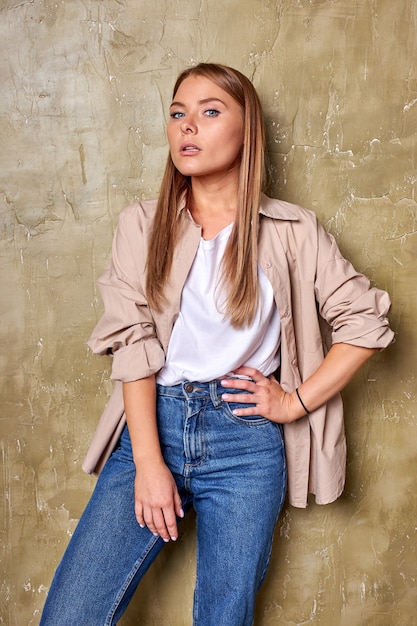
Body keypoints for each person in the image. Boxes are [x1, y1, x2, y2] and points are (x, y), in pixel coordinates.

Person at [40, 63, 394, 626]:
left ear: (246, 129)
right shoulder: (142, 224)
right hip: (152, 426)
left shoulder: (293, 230)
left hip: (245, 443)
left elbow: (365, 324)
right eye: (178, 113)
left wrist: (294, 402)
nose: (188, 127)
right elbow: (133, 348)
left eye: (209, 112)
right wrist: (151, 465)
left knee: (223, 619)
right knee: (70, 615)